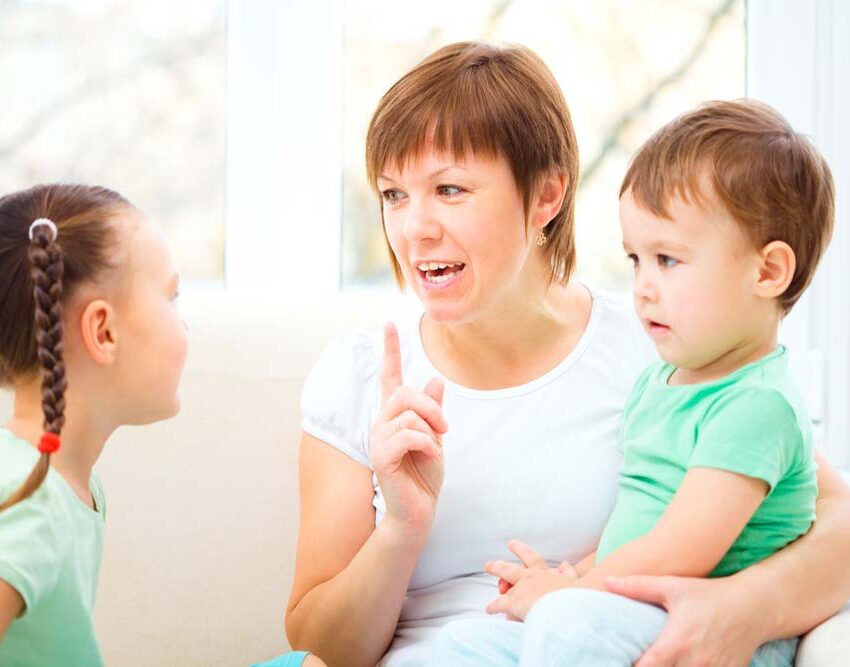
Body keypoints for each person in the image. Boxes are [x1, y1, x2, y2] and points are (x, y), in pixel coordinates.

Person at [284, 42, 850, 667]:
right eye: (393, 194)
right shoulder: (360, 376)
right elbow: (321, 646)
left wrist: (745, 610)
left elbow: (828, 517)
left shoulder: (663, 347)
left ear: (547, 196)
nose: (414, 228)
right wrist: (401, 527)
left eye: (449, 189)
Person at [426, 99, 833, 665]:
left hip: (703, 629)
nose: (642, 286)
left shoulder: (756, 405)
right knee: (464, 643)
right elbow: (636, 525)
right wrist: (575, 571)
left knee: (566, 625)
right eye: (636, 259)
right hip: (627, 608)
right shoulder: (660, 381)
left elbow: (684, 548)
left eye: (668, 260)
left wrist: (571, 593)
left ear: (767, 272)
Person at [0, 184, 188, 666]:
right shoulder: (32, 504)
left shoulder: (63, 483)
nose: (184, 324)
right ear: (103, 332)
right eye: (172, 297)